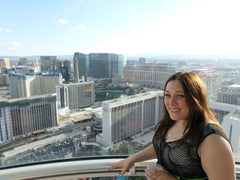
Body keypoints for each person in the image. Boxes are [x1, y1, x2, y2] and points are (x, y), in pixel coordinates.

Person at [108, 71, 236, 180]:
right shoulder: (174, 122)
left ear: (195, 99)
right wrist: (131, 159)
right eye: (167, 95)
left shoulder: (212, 140)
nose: (171, 102)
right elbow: (163, 146)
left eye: (180, 96)